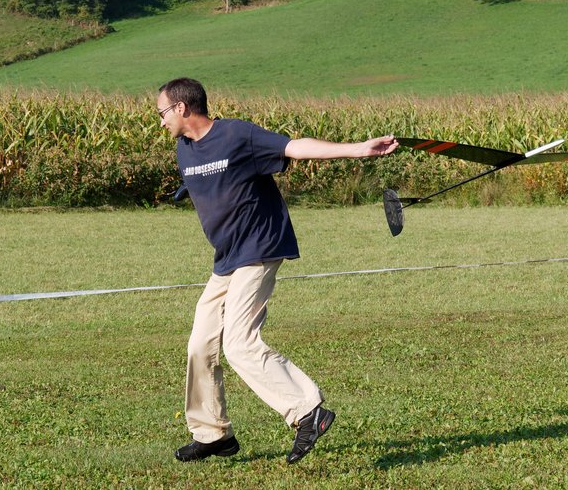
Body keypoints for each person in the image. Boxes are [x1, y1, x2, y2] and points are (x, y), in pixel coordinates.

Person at [157, 78, 398, 464]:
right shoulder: (184, 149)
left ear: (182, 108)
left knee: (238, 344)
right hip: (227, 257)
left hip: (259, 247)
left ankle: (307, 410)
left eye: (163, 112)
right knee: (200, 344)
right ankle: (212, 434)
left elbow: (294, 147)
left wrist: (358, 149)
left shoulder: (236, 135)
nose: (161, 120)